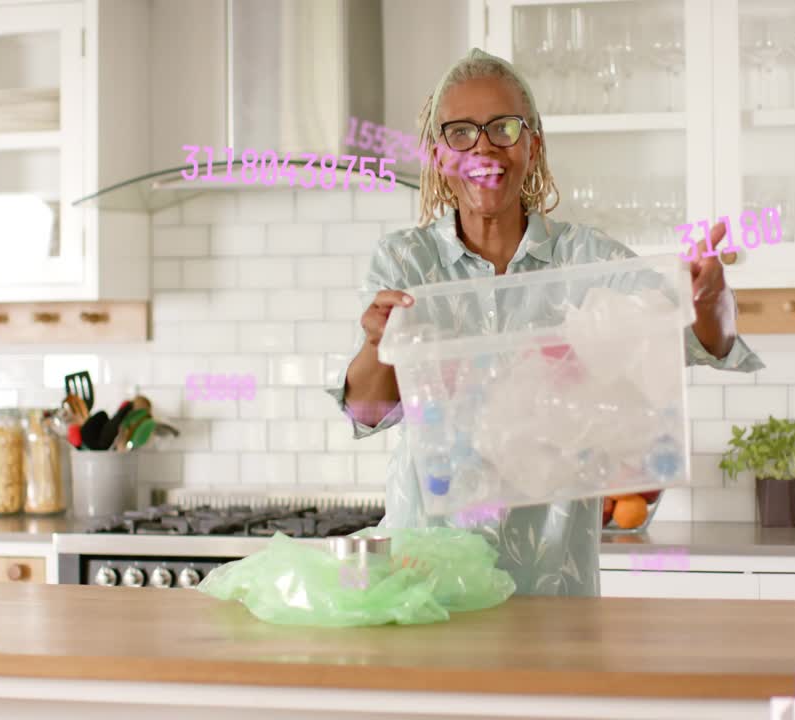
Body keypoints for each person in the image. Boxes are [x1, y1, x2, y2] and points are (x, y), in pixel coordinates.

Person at [324, 48, 764, 597]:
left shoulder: (588, 260)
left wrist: (708, 295)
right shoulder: (405, 263)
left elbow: (704, 342)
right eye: (461, 132)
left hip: (555, 580)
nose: (484, 146)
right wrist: (375, 344)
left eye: (504, 128)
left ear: (533, 145)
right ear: (439, 156)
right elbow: (367, 412)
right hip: (431, 580)